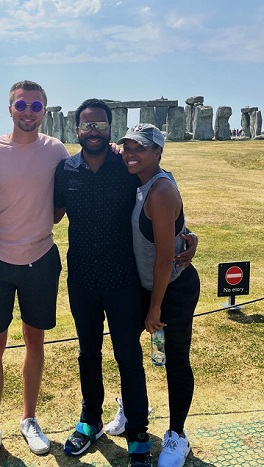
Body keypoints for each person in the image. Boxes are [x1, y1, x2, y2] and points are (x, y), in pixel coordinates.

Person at [54, 100, 197, 467]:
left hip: (123, 279)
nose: (93, 131)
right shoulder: (64, 169)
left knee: (128, 357)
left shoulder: (127, 166)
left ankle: (136, 431)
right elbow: (52, 214)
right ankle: (90, 420)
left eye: (100, 125)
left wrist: (187, 235)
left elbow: (164, 198)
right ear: (76, 130)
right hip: (82, 277)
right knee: (88, 353)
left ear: (110, 127)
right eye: (86, 126)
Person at [0, 80, 69, 467]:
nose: (28, 111)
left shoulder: (56, 151)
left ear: (44, 111)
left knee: (35, 340)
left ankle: (29, 419)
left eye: (35, 105)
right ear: (10, 108)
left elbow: (65, 197)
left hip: (41, 258)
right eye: (21, 104)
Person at [106, 123, 200, 467]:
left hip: (171, 288)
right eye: (127, 146)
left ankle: (177, 435)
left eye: (140, 148)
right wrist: (190, 236)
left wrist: (155, 308)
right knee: (128, 352)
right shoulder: (141, 179)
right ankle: (134, 408)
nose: (131, 153)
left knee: (175, 360)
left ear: (158, 152)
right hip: (144, 286)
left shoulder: (159, 191)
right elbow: (175, 231)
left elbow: (163, 258)